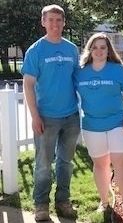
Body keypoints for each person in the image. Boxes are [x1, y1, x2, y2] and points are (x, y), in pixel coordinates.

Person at [21, 4, 80, 221]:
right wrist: (35, 115)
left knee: (66, 163)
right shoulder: (35, 51)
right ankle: (41, 205)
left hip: (72, 116)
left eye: (59, 20)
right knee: (44, 164)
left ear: (64, 23)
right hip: (46, 117)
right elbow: (28, 84)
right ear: (43, 22)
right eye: (51, 20)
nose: (55, 24)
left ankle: (63, 201)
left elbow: (78, 79)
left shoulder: (72, 49)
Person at [76, 32, 123, 214]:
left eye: (103, 47)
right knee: (100, 165)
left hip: (118, 124)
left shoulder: (118, 70)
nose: (99, 51)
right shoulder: (80, 73)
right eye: (95, 47)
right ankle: (104, 202)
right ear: (89, 50)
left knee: (121, 163)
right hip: (92, 126)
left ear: (108, 50)